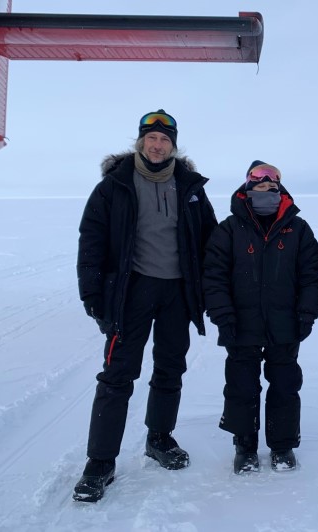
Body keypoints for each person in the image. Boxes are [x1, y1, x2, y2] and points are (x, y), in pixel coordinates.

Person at [73, 109, 218, 502]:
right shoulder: (115, 185)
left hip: (177, 294)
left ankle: (159, 438)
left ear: (174, 145)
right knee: (117, 375)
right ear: (140, 142)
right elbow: (92, 241)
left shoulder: (189, 187)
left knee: (170, 368)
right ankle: (100, 463)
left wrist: (215, 288)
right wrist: (92, 294)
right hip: (131, 292)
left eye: (165, 140)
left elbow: (210, 239)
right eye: (151, 138)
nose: (157, 145)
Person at [203, 161, 318, 474]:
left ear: (280, 189)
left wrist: (306, 314)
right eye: (260, 183)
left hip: (285, 325)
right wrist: (223, 316)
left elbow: (311, 275)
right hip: (240, 325)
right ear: (247, 188)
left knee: (284, 385)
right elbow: (214, 277)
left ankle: (282, 446)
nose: (267, 189)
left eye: (273, 185)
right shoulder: (229, 229)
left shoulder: (298, 229)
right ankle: (245, 446)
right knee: (242, 385)